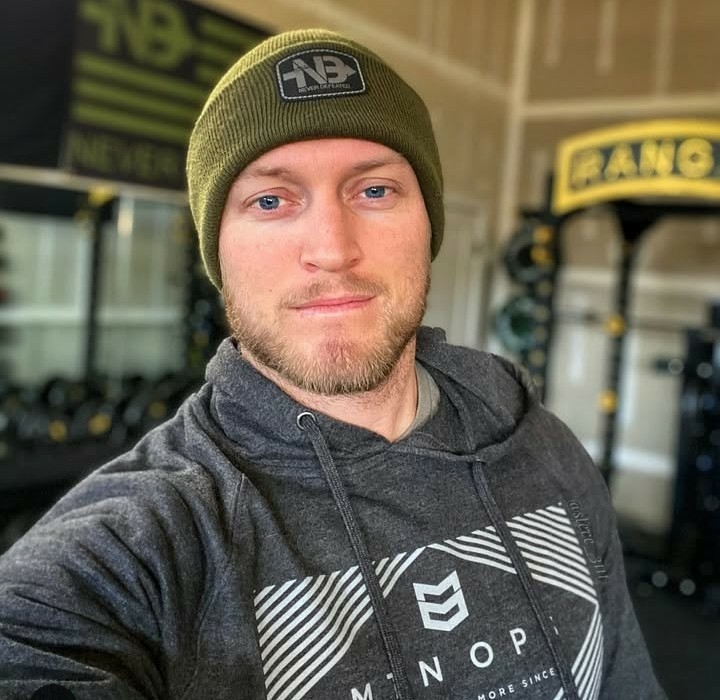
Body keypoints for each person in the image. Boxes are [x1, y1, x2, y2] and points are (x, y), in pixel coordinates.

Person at [0, 28, 665, 700]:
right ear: (218, 252)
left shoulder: (540, 446)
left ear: (428, 226)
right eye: (270, 200)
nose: (332, 249)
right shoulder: (144, 543)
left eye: (374, 191)